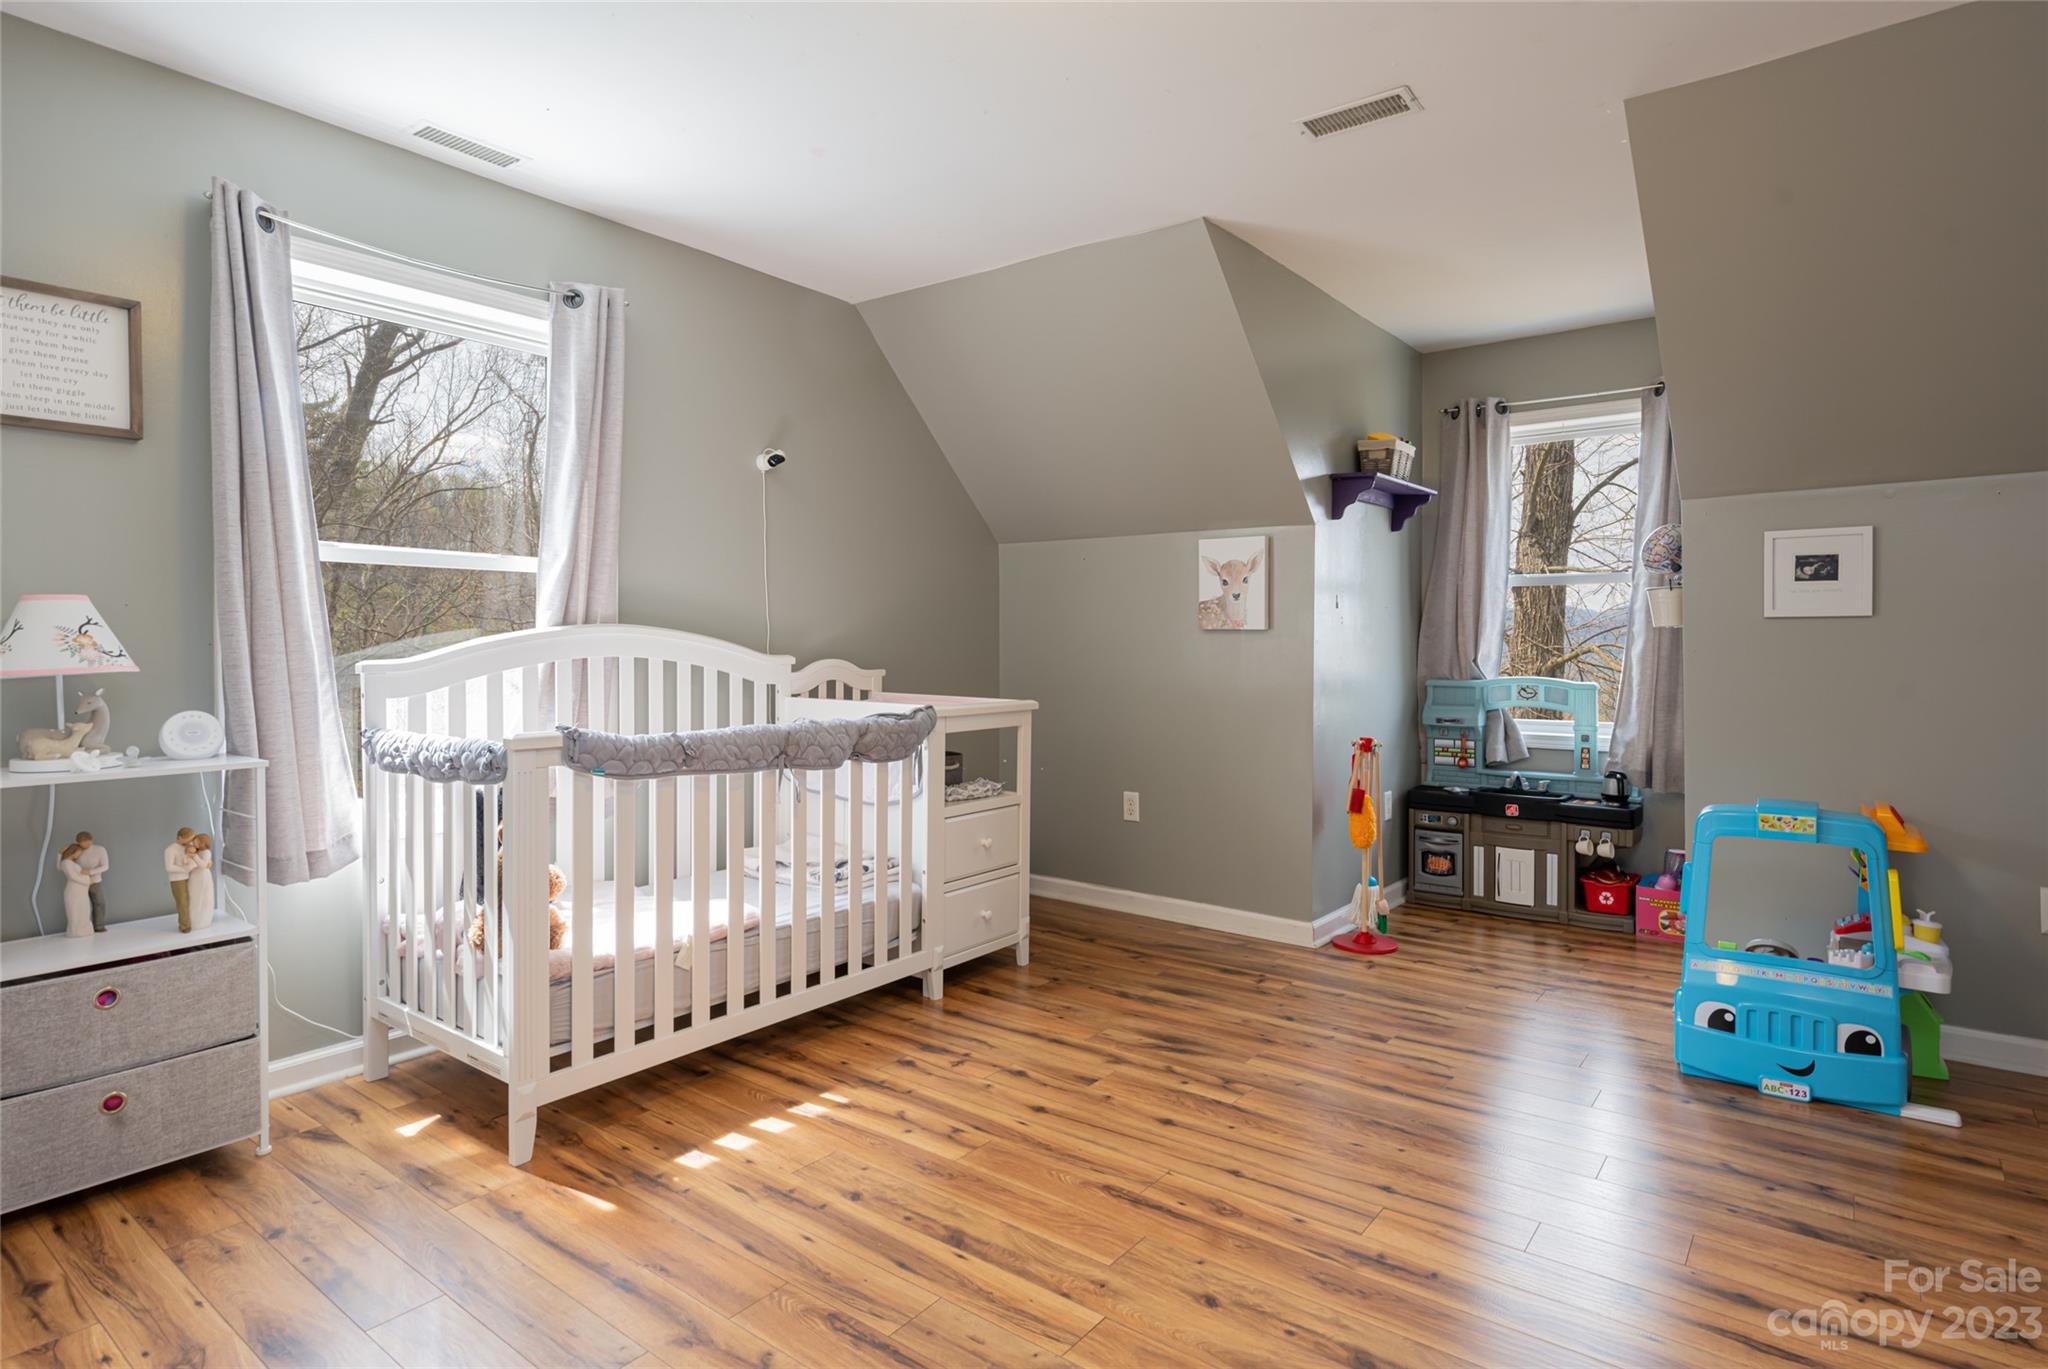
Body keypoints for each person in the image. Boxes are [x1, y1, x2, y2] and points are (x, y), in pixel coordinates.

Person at [73, 831, 109, 932]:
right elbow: (70, 863)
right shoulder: (76, 851)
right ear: (78, 842)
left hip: (94, 882)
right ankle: (83, 927)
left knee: (99, 903)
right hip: (79, 882)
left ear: (91, 840)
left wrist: (90, 872)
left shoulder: (100, 850)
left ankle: (99, 926)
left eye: (88, 841)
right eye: (82, 842)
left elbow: (105, 866)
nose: (86, 843)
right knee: (82, 905)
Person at [165, 827, 197, 931]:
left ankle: (193, 922)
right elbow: (169, 867)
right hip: (177, 880)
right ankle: (185, 926)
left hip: (189, 877)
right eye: (188, 839)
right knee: (182, 902)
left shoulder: (187, 848)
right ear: (180, 838)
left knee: (190, 900)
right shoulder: (170, 850)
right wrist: (184, 869)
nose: (190, 842)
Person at [58, 842, 93, 938]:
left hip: (81, 891)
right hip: (74, 891)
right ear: (73, 851)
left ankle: (83, 930)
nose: (79, 855)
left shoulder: (70, 863)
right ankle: (76, 931)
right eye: (79, 852)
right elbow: (72, 876)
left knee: (84, 910)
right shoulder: (66, 863)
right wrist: (88, 881)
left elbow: (59, 867)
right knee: (75, 911)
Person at [185, 834, 215, 932]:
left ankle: (201, 921)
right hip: (195, 876)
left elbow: (202, 865)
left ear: (203, 843)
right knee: (193, 897)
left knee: (202, 897)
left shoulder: (206, 852)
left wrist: (194, 856)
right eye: (194, 841)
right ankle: (192, 920)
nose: (194, 843)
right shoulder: (198, 851)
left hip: (202, 876)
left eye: (197, 841)